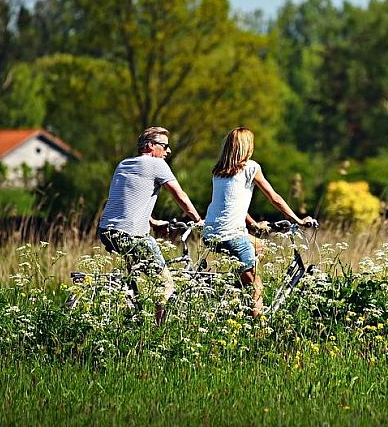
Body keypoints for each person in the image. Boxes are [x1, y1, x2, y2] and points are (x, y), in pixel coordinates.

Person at [203, 127, 317, 317]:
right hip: (231, 234)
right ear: (247, 147)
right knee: (256, 286)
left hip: (210, 233)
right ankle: (258, 330)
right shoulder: (251, 167)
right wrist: (298, 220)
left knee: (259, 246)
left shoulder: (219, 171)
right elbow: (274, 197)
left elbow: (230, 203)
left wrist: (253, 223)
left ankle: (237, 288)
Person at [98, 126, 203, 325]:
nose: (168, 151)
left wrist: (153, 222)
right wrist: (198, 220)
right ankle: (157, 331)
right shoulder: (156, 164)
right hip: (130, 235)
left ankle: (133, 319)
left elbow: (128, 201)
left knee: (133, 280)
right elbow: (179, 195)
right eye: (164, 146)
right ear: (150, 146)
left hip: (106, 231)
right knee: (166, 284)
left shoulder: (123, 164)